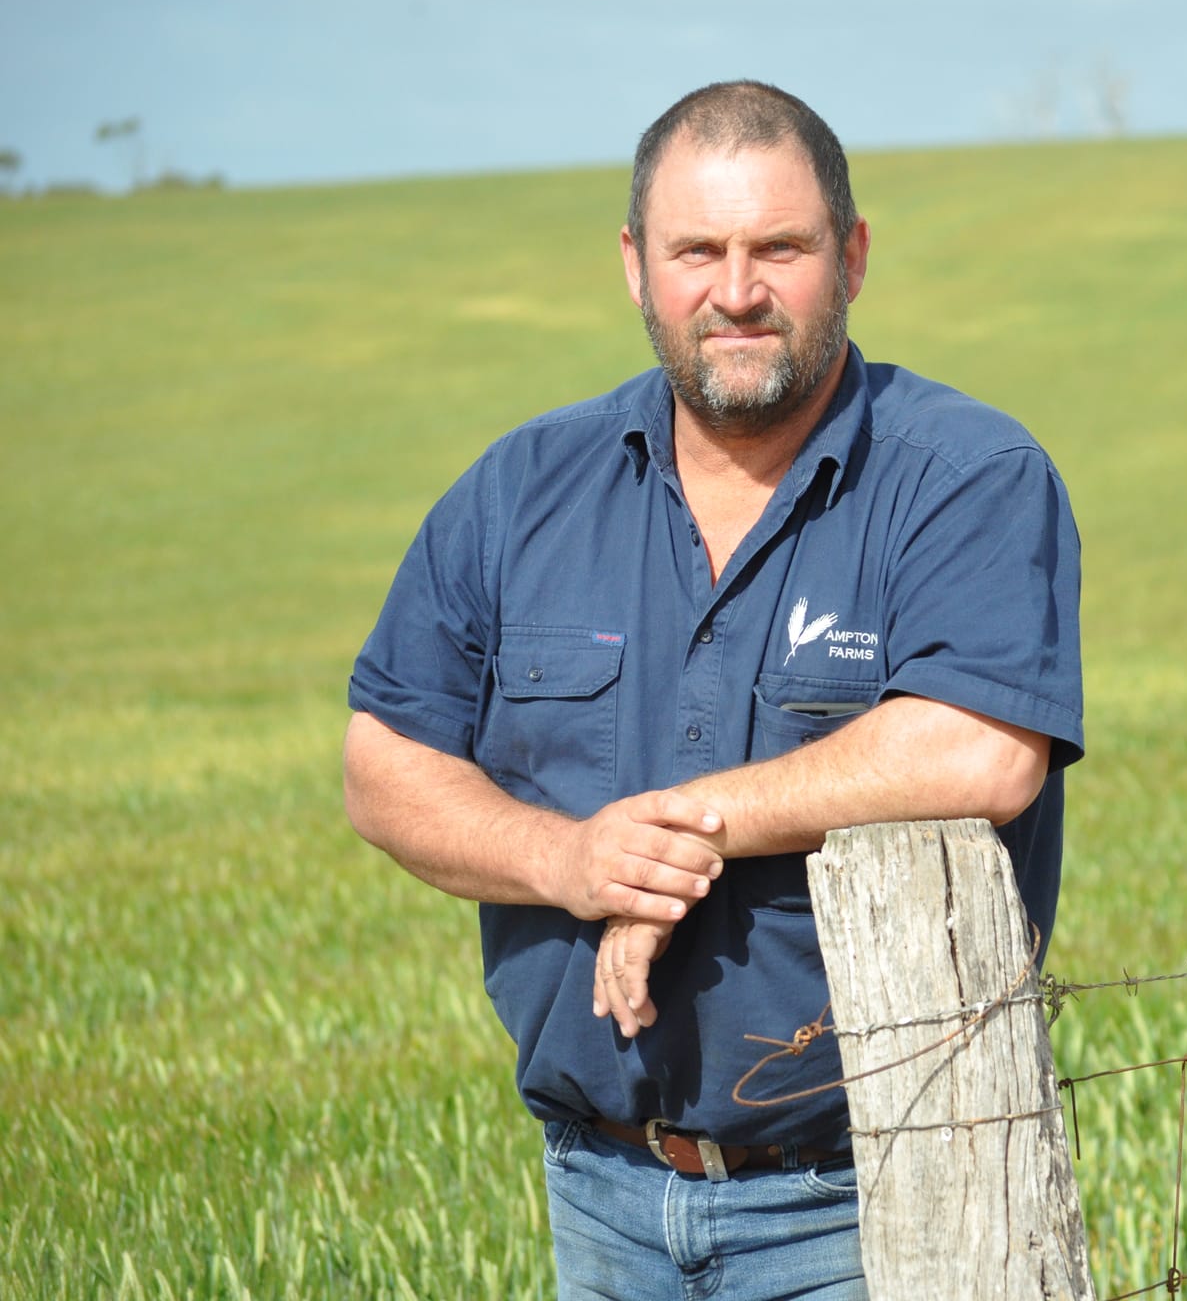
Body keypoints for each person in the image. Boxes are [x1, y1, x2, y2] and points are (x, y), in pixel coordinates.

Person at [341, 79, 1083, 1300]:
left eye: (777, 248)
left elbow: (979, 749)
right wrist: (569, 861)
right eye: (698, 250)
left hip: (881, 1202)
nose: (735, 291)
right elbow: (384, 763)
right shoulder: (520, 491)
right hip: (601, 1196)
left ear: (849, 256)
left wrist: (690, 823)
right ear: (636, 266)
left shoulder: (966, 477)